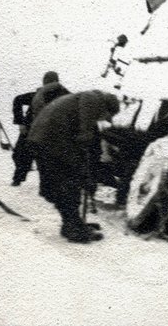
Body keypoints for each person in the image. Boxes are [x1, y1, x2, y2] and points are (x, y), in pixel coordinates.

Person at [28, 90, 120, 243]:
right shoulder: (93, 99)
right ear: (106, 108)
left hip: (42, 139)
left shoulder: (81, 99)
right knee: (68, 183)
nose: (104, 119)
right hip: (51, 141)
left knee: (65, 183)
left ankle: (73, 222)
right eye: (107, 116)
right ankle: (72, 227)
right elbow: (84, 137)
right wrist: (85, 170)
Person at [11, 71, 70, 186]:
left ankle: (22, 179)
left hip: (49, 132)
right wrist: (21, 122)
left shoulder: (64, 96)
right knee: (19, 154)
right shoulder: (38, 95)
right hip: (31, 129)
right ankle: (19, 178)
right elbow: (17, 100)